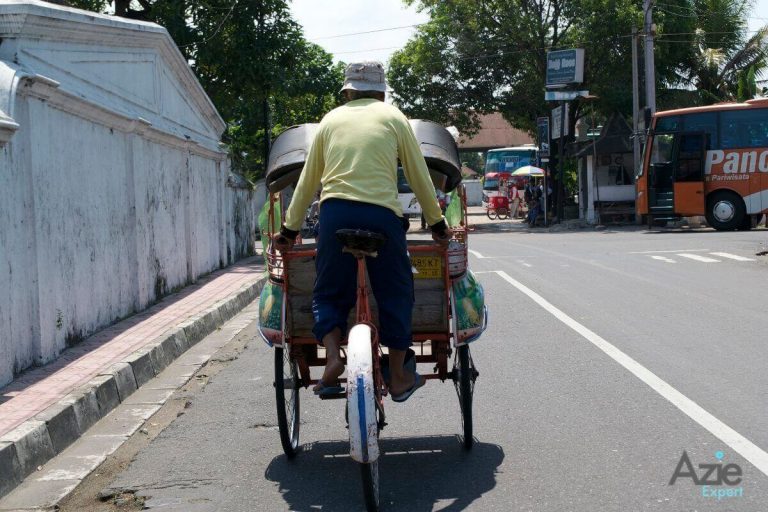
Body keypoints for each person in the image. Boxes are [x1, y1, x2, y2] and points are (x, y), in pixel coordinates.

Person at [273, 61, 450, 402]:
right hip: (383, 217)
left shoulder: (330, 121)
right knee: (397, 292)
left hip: (335, 214)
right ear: (382, 92)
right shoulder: (395, 118)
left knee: (327, 292)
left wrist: (288, 228)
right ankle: (398, 376)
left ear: (348, 91)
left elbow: (308, 180)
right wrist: (438, 223)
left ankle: (333, 357)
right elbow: (418, 176)